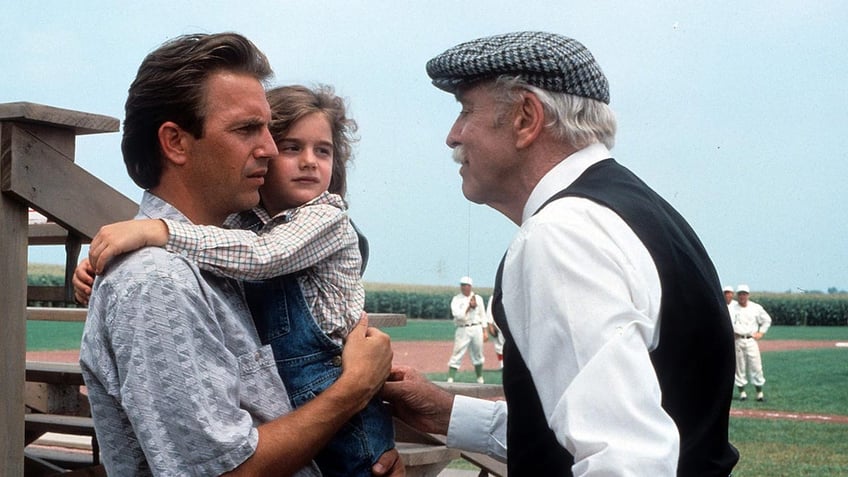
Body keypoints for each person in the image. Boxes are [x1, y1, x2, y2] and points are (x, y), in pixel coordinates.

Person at [382, 31, 739, 476]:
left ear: (526, 118)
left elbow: (626, 460)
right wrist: (449, 415)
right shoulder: (631, 210)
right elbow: (583, 428)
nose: (453, 137)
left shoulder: (561, 234)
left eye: (465, 111)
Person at [77, 33, 402, 476]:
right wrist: (354, 389)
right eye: (247, 129)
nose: (269, 148)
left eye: (268, 129)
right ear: (175, 142)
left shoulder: (212, 255)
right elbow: (226, 472)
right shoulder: (158, 281)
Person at [730, 284, 772, 402]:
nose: (742, 296)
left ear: (748, 295)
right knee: (739, 367)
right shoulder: (732, 308)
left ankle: (759, 393)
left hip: (751, 340)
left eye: (744, 294)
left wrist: (761, 332)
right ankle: (742, 393)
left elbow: (766, 320)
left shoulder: (755, 308)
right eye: (740, 294)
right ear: (737, 295)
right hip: (738, 340)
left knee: (756, 366)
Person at [446, 276, 488, 383]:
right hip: (463, 328)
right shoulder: (457, 299)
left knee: (478, 353)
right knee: (457, 352)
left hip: (476, 327)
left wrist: (485, 331)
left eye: (467, 285)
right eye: (462, 285)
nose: (464, 287)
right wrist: (468, 307)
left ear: (470, 286)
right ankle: (450, 378)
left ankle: (480, 378)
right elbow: (458, 316)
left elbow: (483, 315)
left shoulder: (478, 298)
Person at [485, 294, 505, 369]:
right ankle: (502, 364)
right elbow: (489, 311)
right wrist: (490, 324)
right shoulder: (494, 296)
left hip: (511, 324)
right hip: (498, 324)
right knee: (499, 346)